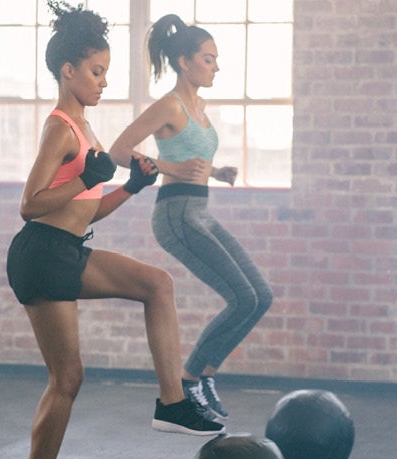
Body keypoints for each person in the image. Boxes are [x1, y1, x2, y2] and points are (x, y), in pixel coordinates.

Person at [5, 2, 224, 459]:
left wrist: (130, 186)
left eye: (106, 72)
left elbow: (88, 210)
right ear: (69, 72)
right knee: (66, 378)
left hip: (66, 248)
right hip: (41, 253)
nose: (104, 81)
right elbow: (31, 204)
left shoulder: (86, 128)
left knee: (156, 284)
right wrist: (86, 179)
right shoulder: (60, 129)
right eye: (96, 71)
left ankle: (172, 403)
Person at [109, 13, 274, 423]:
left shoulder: (197, 106)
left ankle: (203, 374)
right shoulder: (169, 104)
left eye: (216, 59)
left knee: (260, 296)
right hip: (176, 215)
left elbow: (191, 156)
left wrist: (216, 172)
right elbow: (118, 150)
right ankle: (188, 380)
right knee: (242, 298)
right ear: (185, 61)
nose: (216, 66)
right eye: (208, 58)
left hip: (200, 210)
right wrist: (171, 169)